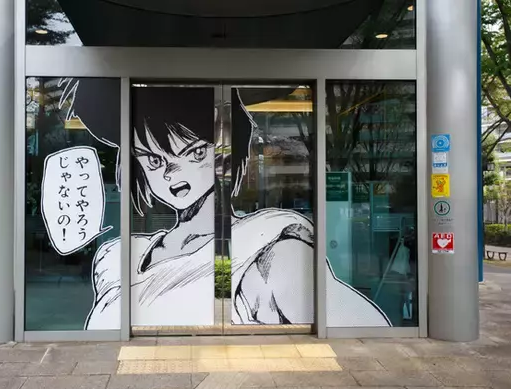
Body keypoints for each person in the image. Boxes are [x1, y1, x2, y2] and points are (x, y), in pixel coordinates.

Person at [60, 81, 391, 330]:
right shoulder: (117, 258)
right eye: (153, 159)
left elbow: (365, 329)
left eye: (195, 153)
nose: (172, 173)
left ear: (228, 153)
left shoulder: (269, 251)